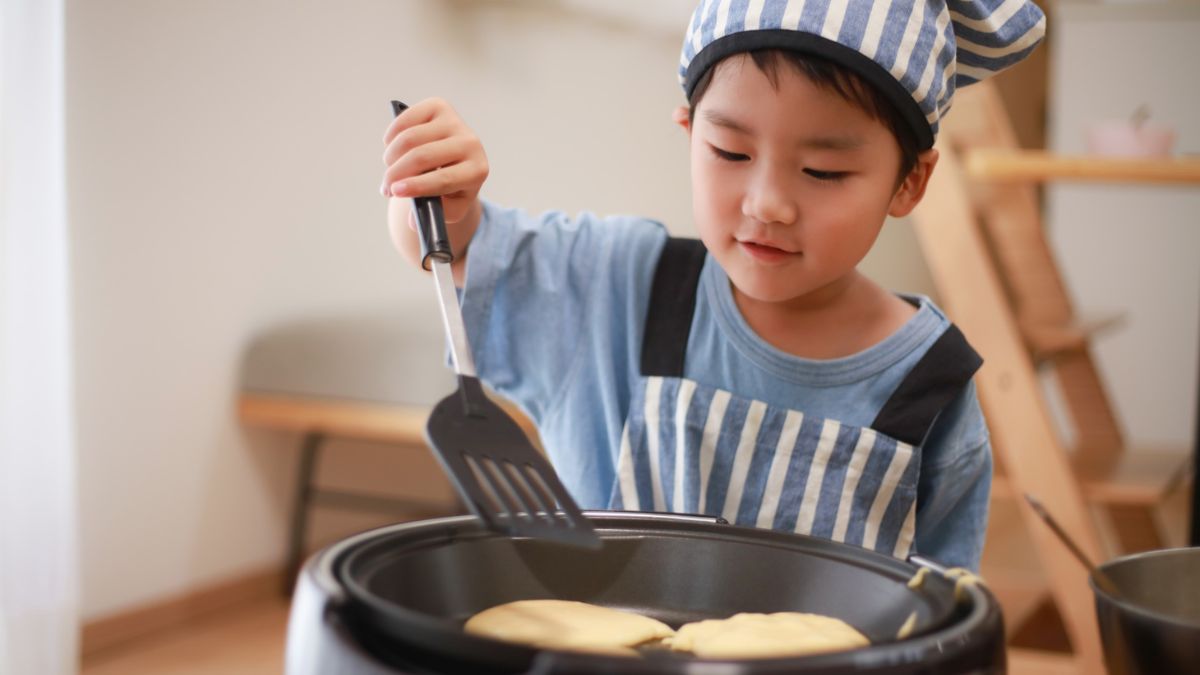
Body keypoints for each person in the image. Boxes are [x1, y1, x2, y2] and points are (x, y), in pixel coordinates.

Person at [379, 0, 1045, 571]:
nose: (767, 204)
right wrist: (439, 197)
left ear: (909, 182)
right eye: (731, 153)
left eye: (823, 171)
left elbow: (942, 613)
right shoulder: (617, 287)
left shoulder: (929, 385)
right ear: (690, 132)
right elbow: (461, 255)